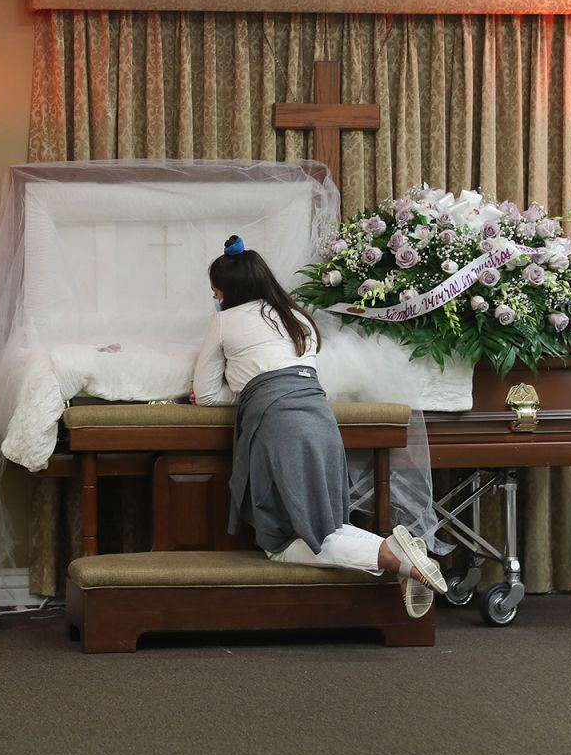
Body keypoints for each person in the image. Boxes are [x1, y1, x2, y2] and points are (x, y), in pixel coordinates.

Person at [190, 235, 446, 618]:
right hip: (321, 421)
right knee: (324, 525)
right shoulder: (299, 318)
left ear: (227, 291)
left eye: (215, 292)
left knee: (284, 542)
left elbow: (207, 395)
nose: (215, 298)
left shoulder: (224, 322)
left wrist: (243, 391)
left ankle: (391, 555)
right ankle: (404, 561)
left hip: (278, 426)